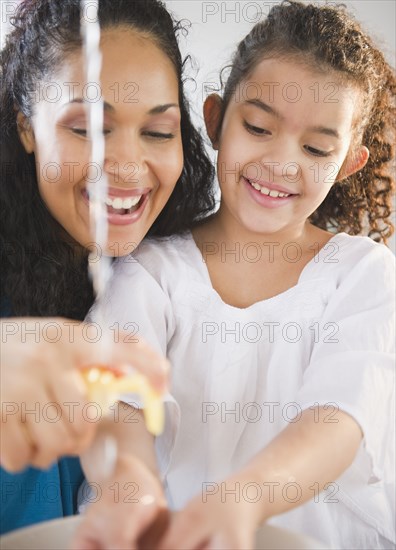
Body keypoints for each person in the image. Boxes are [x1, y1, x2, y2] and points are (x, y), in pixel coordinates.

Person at [92, 1, 396, 549]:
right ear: (214, 120)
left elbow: (339, 418)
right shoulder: (153, 270)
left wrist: (244, 497)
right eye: (258, 127)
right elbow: (117, 397)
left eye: (315, 148)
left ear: (349, 162)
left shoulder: (362, 276)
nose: (282, 163)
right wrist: (129, 488)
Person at [0, 0, 215, 546]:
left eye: (158, 132)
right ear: (27, 127)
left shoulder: (172, 282)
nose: (123, 165)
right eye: (88, 127)